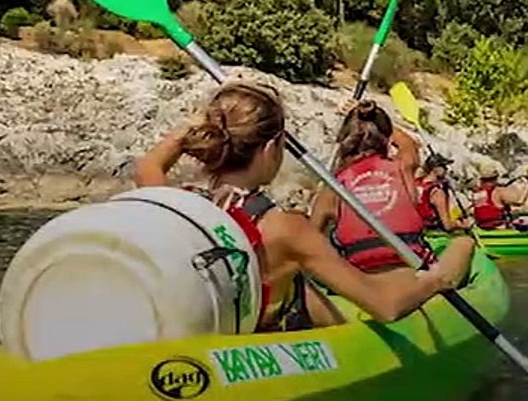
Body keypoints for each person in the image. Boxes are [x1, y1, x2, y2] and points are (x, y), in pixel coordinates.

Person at [133, 82, 475, 332]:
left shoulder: (179, 205)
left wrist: (190, 128)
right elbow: (386, 306)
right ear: (270, 149)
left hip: (220, 326)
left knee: (303, 288)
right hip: (269, 330)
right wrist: (433, 281)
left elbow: (148, 168)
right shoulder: (285, 229)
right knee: (460, 246)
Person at [308, 100, 441, 272]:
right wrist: (373, 118)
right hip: (413, 271)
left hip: (363, 280)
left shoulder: (332, 188)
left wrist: (358, 119)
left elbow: (310, 242)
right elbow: (409, 144)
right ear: (386, 139)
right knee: (464, 245)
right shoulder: (403, 167)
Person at [416, 152, 471, 233]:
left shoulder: (416, 184)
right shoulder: (437, 192)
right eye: (444, 166)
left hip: (419, 230)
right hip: (434, 233)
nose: (446, 169)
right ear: (435, 169)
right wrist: (461, 225)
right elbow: (447, 225)